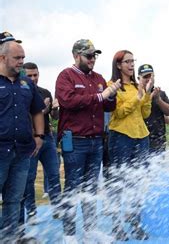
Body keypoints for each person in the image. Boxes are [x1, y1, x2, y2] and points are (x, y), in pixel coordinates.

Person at [55, 39, 120, 243]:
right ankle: (69, 234)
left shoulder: (99, 78)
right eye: (88, 55)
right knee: (73, 186)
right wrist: (101, 96)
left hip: (95, 139)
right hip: (72, 139)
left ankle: (90, 230)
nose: (93, 59)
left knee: (91, 187)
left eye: (95, 55)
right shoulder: (66, 76)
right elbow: (69, 101)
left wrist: (111, 95)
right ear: (76, 55)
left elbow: (109, 107)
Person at [0, 32, 45, 242]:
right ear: (2, 58)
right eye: (17, 58)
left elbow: (37, 110)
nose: (21, 62)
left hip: (22, 153)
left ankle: (11, 238)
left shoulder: (27, 84)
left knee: (14, 200)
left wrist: (39, 135)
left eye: (23, 58)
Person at [107, 51, 153, 241]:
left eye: (133, 61)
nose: (132, 64)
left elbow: (145, 114)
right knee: (119, 182)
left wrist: (146, 94)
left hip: (142, 136)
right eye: (127, 61)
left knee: (138, 182)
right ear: (118, 65)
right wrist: (137, 97)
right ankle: (117, 225)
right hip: (121, 136)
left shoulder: (137, 85)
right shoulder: (112, 86)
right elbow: (118, 113)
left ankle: (136, 223)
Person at [19, 62, 61, 226]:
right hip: (30, 140)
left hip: (48, 139)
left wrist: (55, 108)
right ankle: (31, 212)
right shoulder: (20, 92)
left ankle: (58, 208)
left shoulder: (45, 92)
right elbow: (21, 117)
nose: (33, 78)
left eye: (35, 75)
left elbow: (54, 117)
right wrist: (41, 111)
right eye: (29, 75)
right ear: (23, 75)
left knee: (54, 174)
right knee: (30, 178)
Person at [139, 64, 169, 155]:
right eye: (145, 77)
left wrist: (158, 100)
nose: (148, 79)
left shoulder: (160, 93)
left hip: (158, 139)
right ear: (139, 78)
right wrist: (149, 96)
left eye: (150, 76)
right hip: (139, 139)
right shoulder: (136, 93)